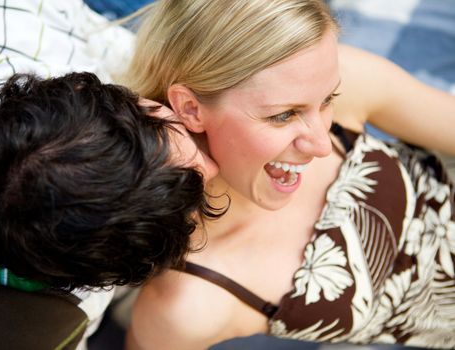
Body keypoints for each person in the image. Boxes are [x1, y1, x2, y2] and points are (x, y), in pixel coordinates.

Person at [121, 0, 455, 349]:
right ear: (190, 108)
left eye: (328, 99)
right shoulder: (189, 305)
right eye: (283, 116)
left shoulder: (333, 75)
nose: (322, 145)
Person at [0, 1, 218, 349]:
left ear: (82, 87)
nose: (214, 165)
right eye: (192, 187)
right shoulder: (56, 333)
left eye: (160, 117)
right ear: (109, 273)